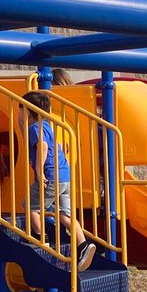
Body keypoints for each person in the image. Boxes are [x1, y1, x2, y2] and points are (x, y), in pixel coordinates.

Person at [21, 91, 95, 270]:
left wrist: (39, 172)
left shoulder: (34, 129)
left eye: (21, 109)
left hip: (50, 176)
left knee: (31, 207)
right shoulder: (46, 125)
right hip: (64, 176)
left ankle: (41, 239)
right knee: (65, 215)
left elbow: (43, 147)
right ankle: (83, 245)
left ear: (28, 112)